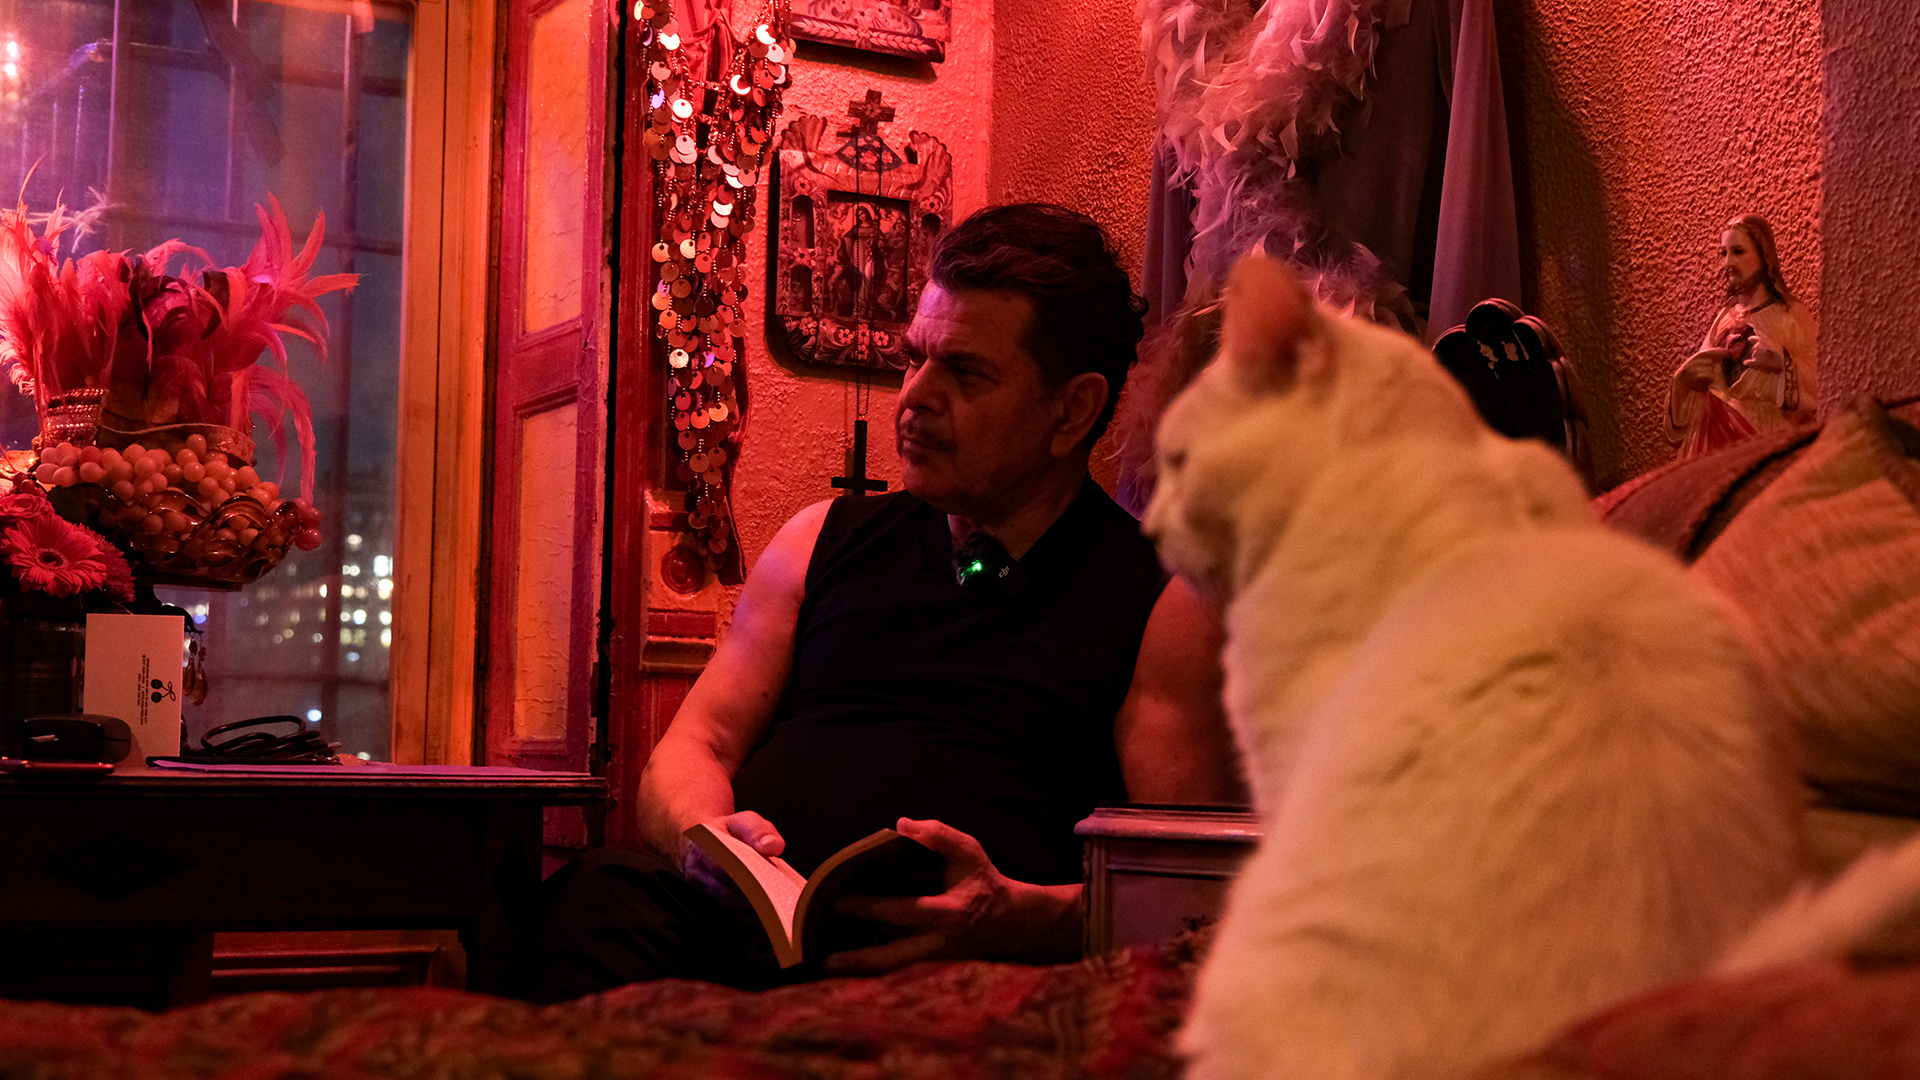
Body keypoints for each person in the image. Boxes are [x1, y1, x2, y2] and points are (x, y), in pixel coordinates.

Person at [515, 203, 1240, 1000]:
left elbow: (1188, 891)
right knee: (598, 896)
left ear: (1071, 411)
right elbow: (697, 745)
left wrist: (1027, 917)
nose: (915, 398)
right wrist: (707, 841)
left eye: (965, 372)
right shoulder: (819, 538)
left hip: (969, 972)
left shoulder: (1161, 598)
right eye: (914, 358)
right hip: (746, 934)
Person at [1666, 214, 1820, 460]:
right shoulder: (1724, 318)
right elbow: (1701, 376)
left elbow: (1821, 385)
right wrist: (1683, 383)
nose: (1728, 263)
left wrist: (1782, 362)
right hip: (1711, 447)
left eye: (1738, 252)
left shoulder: (1791, 317)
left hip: (1763, 447)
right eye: (1724, 253)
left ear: (1763, 255)